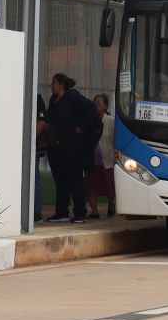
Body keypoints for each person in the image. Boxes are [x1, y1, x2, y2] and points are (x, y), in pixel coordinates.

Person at [44, 73, 100, 223]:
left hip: (72, 146)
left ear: (61, 85)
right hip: (56, 145)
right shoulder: (53, 100)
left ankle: (80, 212)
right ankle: (61, 211)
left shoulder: (73, 96)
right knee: (60, 179)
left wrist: (82, 127)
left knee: (75, 178)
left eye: (54, 83)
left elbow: (91, 108)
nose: (51, 85)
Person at [85, 93, 116, 219]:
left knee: (110, 187)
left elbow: (116, 141)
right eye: (94, 103)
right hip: (91, 159)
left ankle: (111, 205)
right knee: (90, 187)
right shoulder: (88, 120)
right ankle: (94, 212)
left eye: (99, 103)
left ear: (105, 106)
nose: (96, 105)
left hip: (107, 160)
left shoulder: (110, 121)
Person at [34, 92, 47, 223]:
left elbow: (41, 123)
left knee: (33, 178)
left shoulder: (36, 98)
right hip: (27, 146)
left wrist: (31, 140)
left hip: (33, 147)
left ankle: (36, 212)